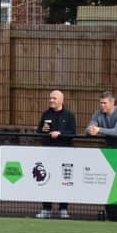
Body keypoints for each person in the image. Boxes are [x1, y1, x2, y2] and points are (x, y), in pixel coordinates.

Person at [35, 90, 76, 219]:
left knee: (63, 180)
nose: (51, 100)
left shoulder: (69, 115)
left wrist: (60, 134)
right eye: (50, 98)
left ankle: (63, 208)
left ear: (61, 100)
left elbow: (72, 133)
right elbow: (39, 132)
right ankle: (46, 208)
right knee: (46, 180)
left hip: (64, 153)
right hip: (47, 153)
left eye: (54, 98)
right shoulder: (46, 114)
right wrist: (43, 130)